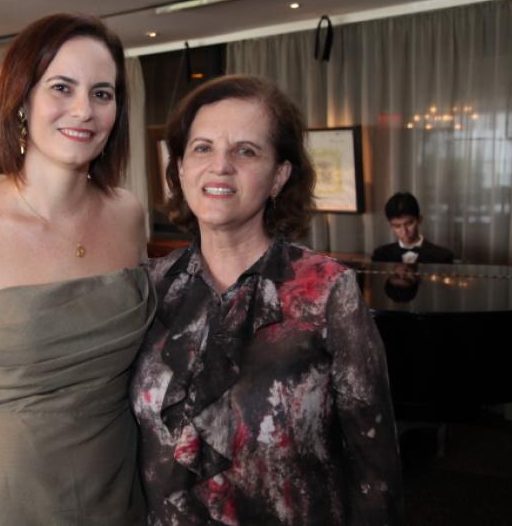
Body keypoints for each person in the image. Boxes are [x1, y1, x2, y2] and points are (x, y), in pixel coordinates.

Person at [0, 13, 155, 525]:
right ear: (21, 100)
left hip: (114, 488)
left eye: (102, 93)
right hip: (1, 493)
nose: (84, 110)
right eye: (62, 87)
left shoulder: (129, 214)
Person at [130, 75, 403, 525]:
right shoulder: (149, 287)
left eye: (246, 151)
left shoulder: (328, 290)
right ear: (179, 167)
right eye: (202, 148)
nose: (220, 166)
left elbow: (375, 468)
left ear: (279, 176)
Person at [372, 192, 454, 264]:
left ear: (419, 220)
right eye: (397, 226)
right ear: (390, 226)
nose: (404, 232)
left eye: (409, 224)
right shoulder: (380, 255)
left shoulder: (442, 256)